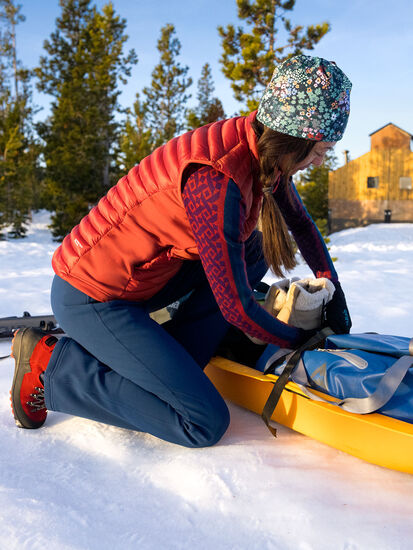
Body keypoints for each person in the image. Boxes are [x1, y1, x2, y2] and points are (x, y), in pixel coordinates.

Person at [10, 55, 352, 447]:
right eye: (321, 150)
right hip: (94, 296)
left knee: (252, 250)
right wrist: (296, 340)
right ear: (294, 138)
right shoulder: (216, 178)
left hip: (142, 280)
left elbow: (302, 225)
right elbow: (235, 308)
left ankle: (163, 356)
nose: (320, 160)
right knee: (201, 420)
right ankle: (51, 365)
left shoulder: (259, 147)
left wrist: (333, 287)